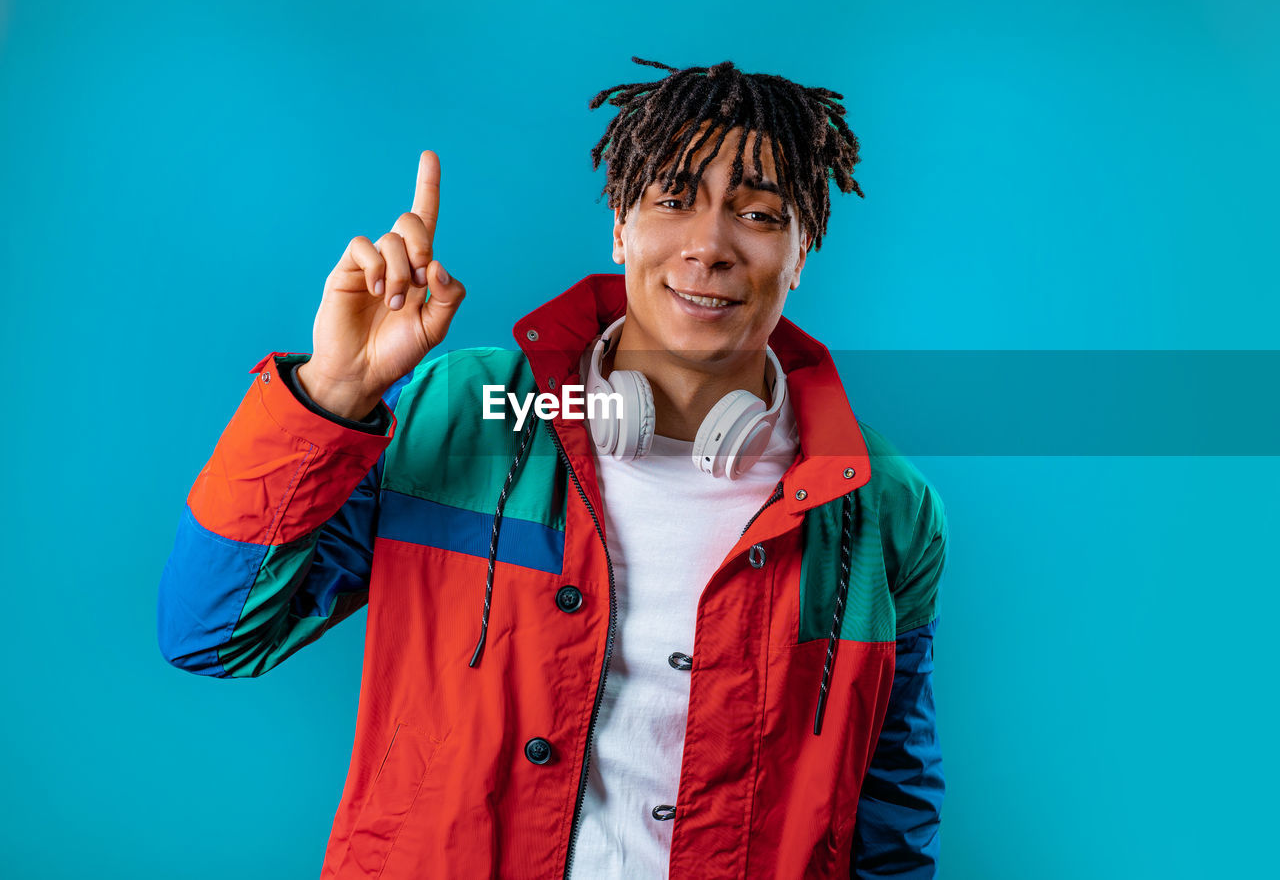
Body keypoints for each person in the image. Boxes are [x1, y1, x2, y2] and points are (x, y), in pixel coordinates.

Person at [157, 57, 949, 879]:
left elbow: (890, 814)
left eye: (756, 213)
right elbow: (211, 630)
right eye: (674, 200)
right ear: (620, 226)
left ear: (801, 251)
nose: (709, 245)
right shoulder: (457, 414)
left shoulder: (881, 505)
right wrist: (330, 395)